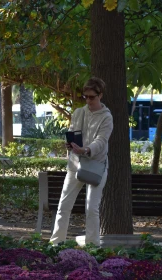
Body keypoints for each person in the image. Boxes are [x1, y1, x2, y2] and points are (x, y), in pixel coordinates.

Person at [50, 77, 113, 246]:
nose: (88, 100)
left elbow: (101, 141)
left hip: (96, 166)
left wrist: (86, 149)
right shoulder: (79, 113)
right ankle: (56, 244)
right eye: (85, 96)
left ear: (100, 95)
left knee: (92, 209)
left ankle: (93, 247)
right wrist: (71, 145)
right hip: (75, 165)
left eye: (92, 97)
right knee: (64, 205)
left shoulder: (107, 117)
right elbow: (73, 132)